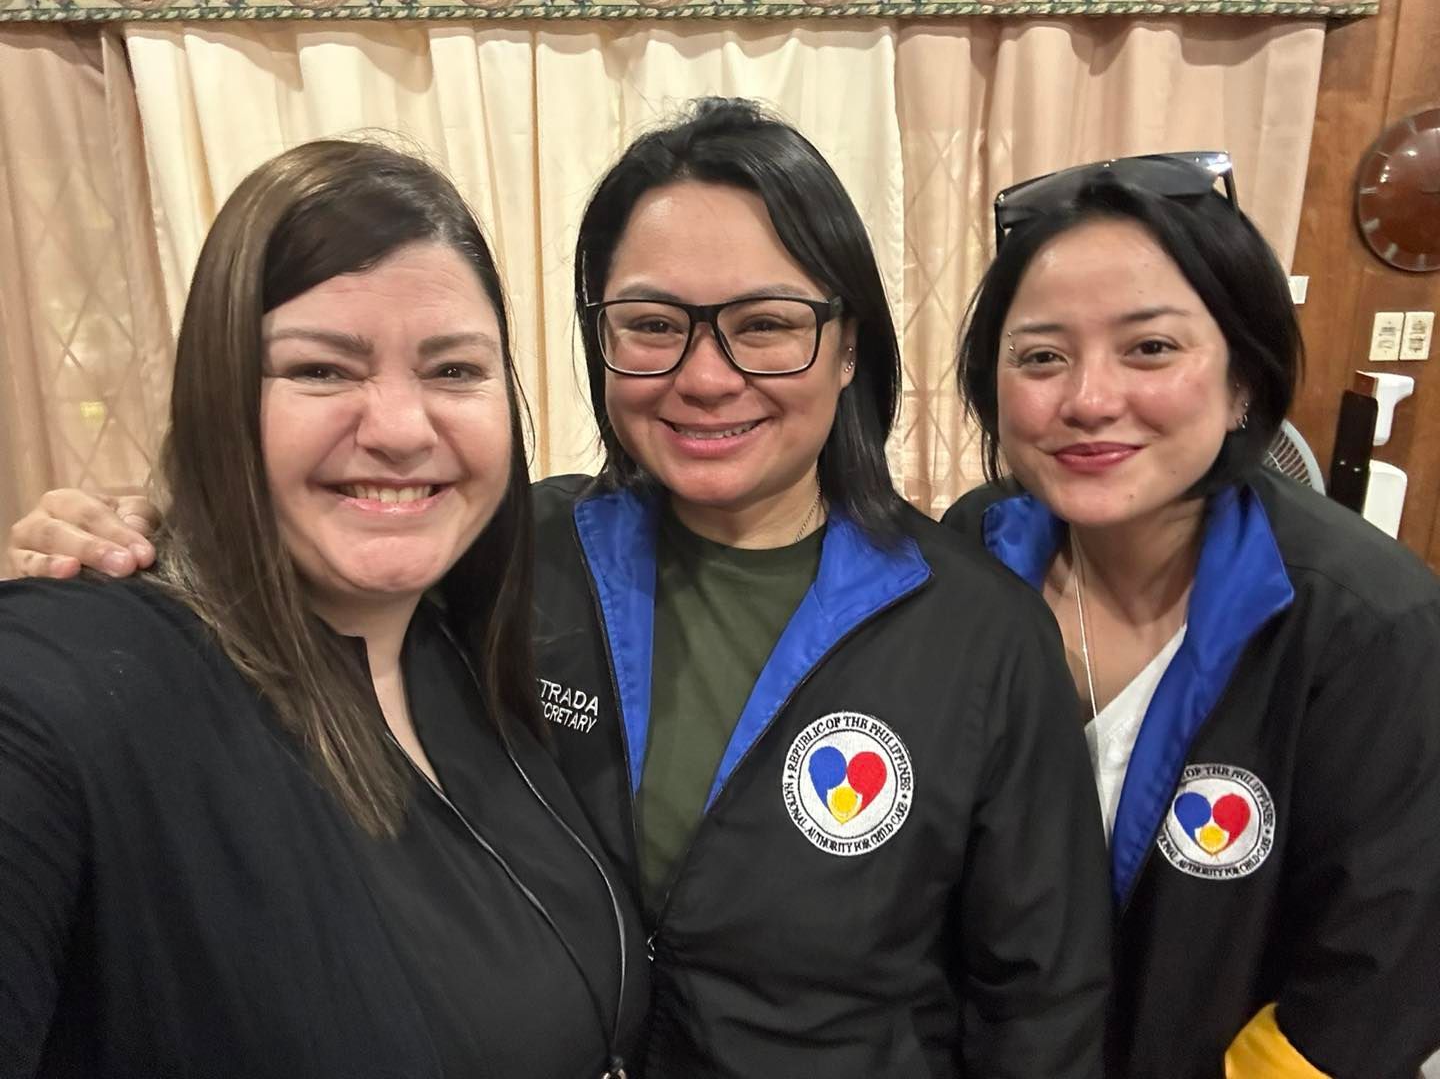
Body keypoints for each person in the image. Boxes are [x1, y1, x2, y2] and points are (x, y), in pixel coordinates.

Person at [6, 99, 1111, 1077]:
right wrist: (154, 528)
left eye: (767, 324)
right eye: (653, 325)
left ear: (846, 346)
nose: (707, 374)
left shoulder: (978, 631)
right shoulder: (509, 554)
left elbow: (1042, 1003)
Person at [0, 139, 646, 1079]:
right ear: (218, 393)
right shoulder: (74, 687)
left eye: (454, 371)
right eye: (321, 370)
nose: (397, 427)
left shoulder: (464, 651)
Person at [943, 153, 1440, 1078]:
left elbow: (1378, 977)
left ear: (1242, 378)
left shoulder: (1368, 623)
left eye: (1151, 348)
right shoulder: (968, 557)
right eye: (1042, 356)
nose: (1090, 400)